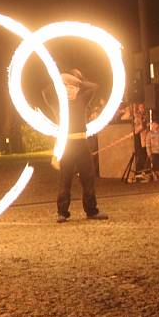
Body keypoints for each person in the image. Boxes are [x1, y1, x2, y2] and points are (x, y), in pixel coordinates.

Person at [44, 69, 108, 223]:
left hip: (81, 142)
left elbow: (93, 87)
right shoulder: (58, 102)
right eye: (67, 86)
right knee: (65, 178)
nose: (70, 90)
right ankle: (62, 212)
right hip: (67, 144)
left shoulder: (82, 99)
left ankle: (91, 210)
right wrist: (61, 80)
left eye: (73, 87)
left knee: (88, 177)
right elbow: (45, 91)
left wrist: (77, 81)